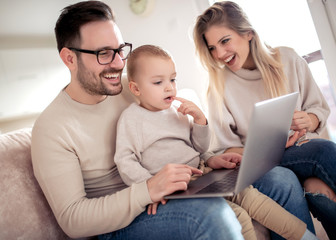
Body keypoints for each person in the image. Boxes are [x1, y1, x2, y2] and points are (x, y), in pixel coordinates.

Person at [31, 1, 245, 239]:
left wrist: (208, 158)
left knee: (277, 181)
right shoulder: (51, 128)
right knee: (210, 214)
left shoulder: (131, 87)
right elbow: (73, 219)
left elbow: (173, 136)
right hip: (119, 224)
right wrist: (147, 190)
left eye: (119, 49)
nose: (118, 63)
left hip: (169, 193)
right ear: (69, 59)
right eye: (103, 53)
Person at [114, 44, 317, 240]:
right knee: (238, 216)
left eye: (173, 79)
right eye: (158, 82)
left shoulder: (178, 110)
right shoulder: (132, 119)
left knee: (250, 196)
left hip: (203, 173)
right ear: (135, 89)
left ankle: (304, 235)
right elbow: (125, 160)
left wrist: (200, 122)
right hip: (174, 186)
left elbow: (199, 148)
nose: (169, 87)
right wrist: (150, 188)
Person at [193, 1, 336, 239]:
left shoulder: (287, 58)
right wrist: (263, 149)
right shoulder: (218, 85)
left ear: (248, 33)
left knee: (322, 151)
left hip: (300, 150)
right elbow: (223, 147)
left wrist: (308, 121)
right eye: (212, 48)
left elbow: (318, 109)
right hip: (258, 164)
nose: (219, 54)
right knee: (286, 178)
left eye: (225, 41)